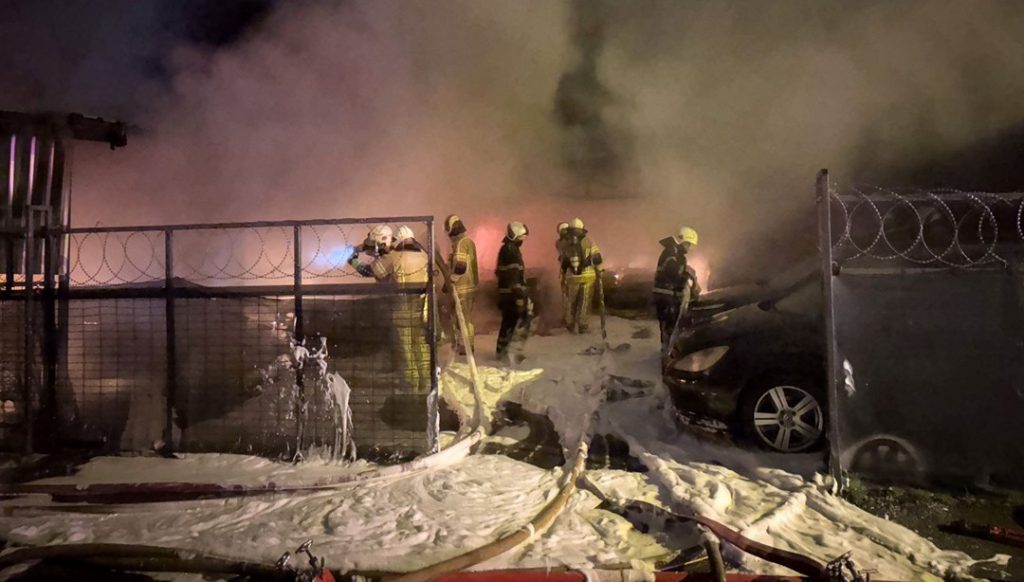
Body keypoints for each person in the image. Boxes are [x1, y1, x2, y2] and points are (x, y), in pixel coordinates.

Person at [350, 224, 432, 393]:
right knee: (420, 346)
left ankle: (411, 386)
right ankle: (426, 383)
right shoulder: (423, 255)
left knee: (405, 348)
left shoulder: (394, 257)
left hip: (402, 307)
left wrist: (353, 260)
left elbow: (368, 271)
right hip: (421, 306)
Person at [654, 226, 700, 351]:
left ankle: (668, 354)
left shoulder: (674, 253)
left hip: (667, 295)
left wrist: (688, 273)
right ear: (684, 241)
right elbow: (673, 273)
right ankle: (667, 358)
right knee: (669, 329)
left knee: (669, 328)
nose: (688, 249)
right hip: (666, 296)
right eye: (688, 245)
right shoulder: (671, 253)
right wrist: (687, 276)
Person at [495, 221, 531, 362]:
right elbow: (513, 276)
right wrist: (519, 296)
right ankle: (509, 353)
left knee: (508, 323)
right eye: (521, 237)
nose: (523, 240)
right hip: (511, 295)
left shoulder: (508, 249)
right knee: (515, 323)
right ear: (515, 236)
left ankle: (503, 351)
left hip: (507, 294)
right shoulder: (511, 251)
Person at [443, 214, 478, 354]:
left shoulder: (462, 243)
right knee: (463, 317)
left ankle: (466, 346)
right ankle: (465, 345)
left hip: (462, 288)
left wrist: (451, 279)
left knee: (463, 318)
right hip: (468, 286)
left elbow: (460, 266)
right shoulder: (467, 241)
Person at [562, 217, 603, 334]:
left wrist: (563, 277)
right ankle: (582, 325)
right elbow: (597, 258)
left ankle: (570, 324)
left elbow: (564, 263)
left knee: (572, 301)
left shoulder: (566, 244)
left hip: (572, 279)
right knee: (584, 302)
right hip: (587, 277)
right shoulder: (589, 242)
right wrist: (600, 271)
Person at [554, 221, 571, 327]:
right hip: (568, 271)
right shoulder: (572, 241)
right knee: (567, 296)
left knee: (567, 296)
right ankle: (568, 318)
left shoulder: (559, 242)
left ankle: (568, 319)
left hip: (568, 271)